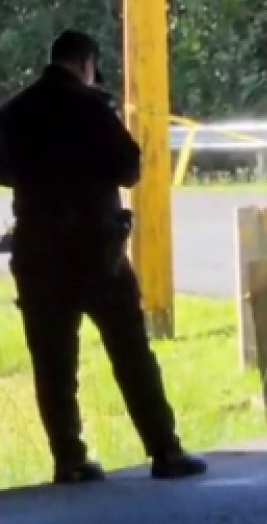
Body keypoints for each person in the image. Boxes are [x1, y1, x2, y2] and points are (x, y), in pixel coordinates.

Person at [0, 30, 207, 484]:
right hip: (96, 250)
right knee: (130, 351)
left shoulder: (15, 111)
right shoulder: (92, 107)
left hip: (37, 250)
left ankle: (69, 457)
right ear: (86, 63)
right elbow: (129, 167)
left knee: (52, 361)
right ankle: (164, 450)